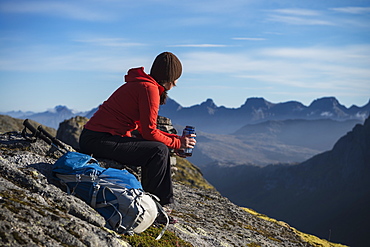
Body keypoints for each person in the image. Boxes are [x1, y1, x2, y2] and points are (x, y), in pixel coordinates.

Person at [79, 52, 196, 210]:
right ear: (169, 78)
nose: (175, 83)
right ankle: (158, 206)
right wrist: (178, 143)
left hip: (97, 137)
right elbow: (149, 133)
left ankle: (152, 201)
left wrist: (176, 142)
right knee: (158, 151)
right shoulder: (149, 89)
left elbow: (144, 130)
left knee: (157, 148)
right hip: (97, 140)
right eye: (175, 79)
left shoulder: (144, 84)